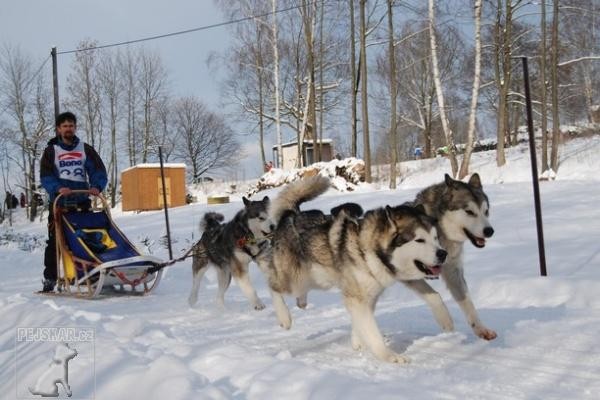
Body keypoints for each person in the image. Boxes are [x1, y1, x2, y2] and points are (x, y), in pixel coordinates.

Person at [39, 112, 107, 292]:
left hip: (81, 202)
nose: (68, 129)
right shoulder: (51, 151)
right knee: (55, 243)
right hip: (60, 204)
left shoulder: (85, 149)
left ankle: (91, 273)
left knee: (86, 239)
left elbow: (98, 170)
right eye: (65, 126)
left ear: (75, 128)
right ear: (58, 129)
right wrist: (57, 188)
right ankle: (50, 279)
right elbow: (46, 176)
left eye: (71, 125)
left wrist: (96, 187)